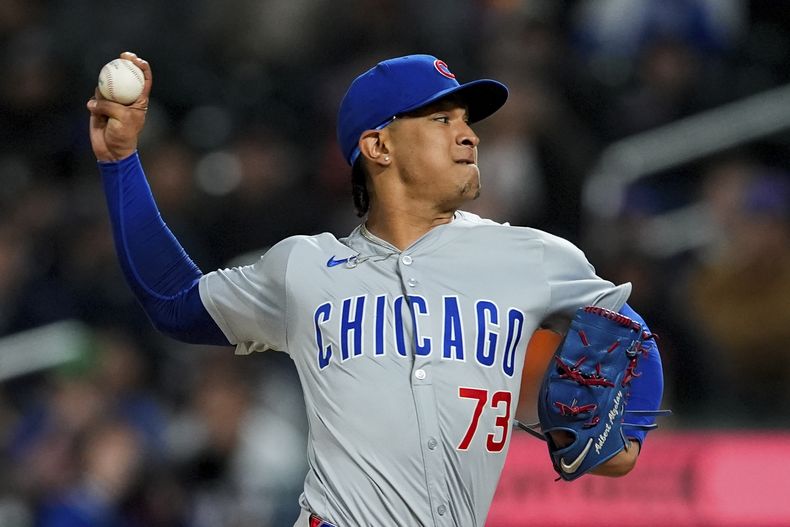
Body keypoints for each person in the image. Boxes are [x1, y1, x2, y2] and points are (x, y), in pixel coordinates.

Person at [87, 51, 666, 527]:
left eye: (467, 120)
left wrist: (629, 436)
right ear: (378, 146)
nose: (468, 135)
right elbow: (174, 302)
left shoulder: (535, 259)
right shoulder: (304, 268)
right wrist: (121, 162)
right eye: (441, 120)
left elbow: (626, 330)